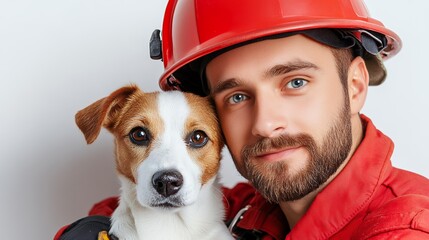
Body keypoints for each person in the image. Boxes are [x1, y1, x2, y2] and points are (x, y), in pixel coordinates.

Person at [55, 0, 429, 239]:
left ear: (355, 85)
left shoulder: (406, 229)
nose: (265, 123)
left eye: (295, 82)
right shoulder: (251, 205)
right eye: (237, 96)